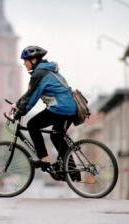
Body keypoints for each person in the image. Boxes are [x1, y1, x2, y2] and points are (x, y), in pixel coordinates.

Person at [12, 45, 80, 181]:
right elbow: (29, 93)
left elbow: (32, 98)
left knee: (32, 125)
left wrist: (19, 113)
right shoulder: (45, 71)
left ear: (34, 60)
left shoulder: (39, 74)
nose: (24, 63)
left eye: (25, 60)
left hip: (62, 109)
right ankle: (73, 171)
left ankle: (45, 160)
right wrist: (17, 104)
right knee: (56, 136)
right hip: (68, 108)